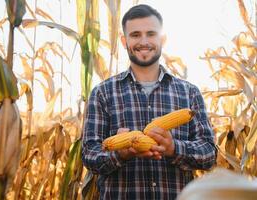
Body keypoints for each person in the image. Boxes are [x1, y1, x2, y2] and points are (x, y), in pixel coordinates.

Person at [82, 4, 216, 200]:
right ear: (124, 40)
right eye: (135, 35)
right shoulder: (103, 93)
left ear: (162, 39)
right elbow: (89, 155)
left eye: (151, 34)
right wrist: (121, 153)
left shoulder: (189, 93)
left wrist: (173, 148)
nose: (143, 41)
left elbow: (209, 154)